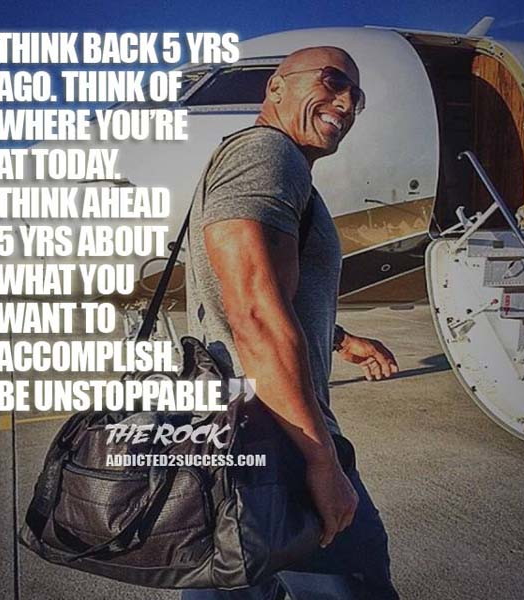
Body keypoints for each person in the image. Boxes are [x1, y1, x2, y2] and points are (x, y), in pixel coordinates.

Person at [183, 46, 400, 600]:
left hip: (228, 437)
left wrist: (340, 340)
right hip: (278, 442)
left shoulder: (270, 162)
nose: (346, 103)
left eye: (356, 95)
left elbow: (261, 294)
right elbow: (254, 312)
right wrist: (321, 460)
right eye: (331, 81)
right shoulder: (266, 152)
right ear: (276, 87)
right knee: (351, 583)